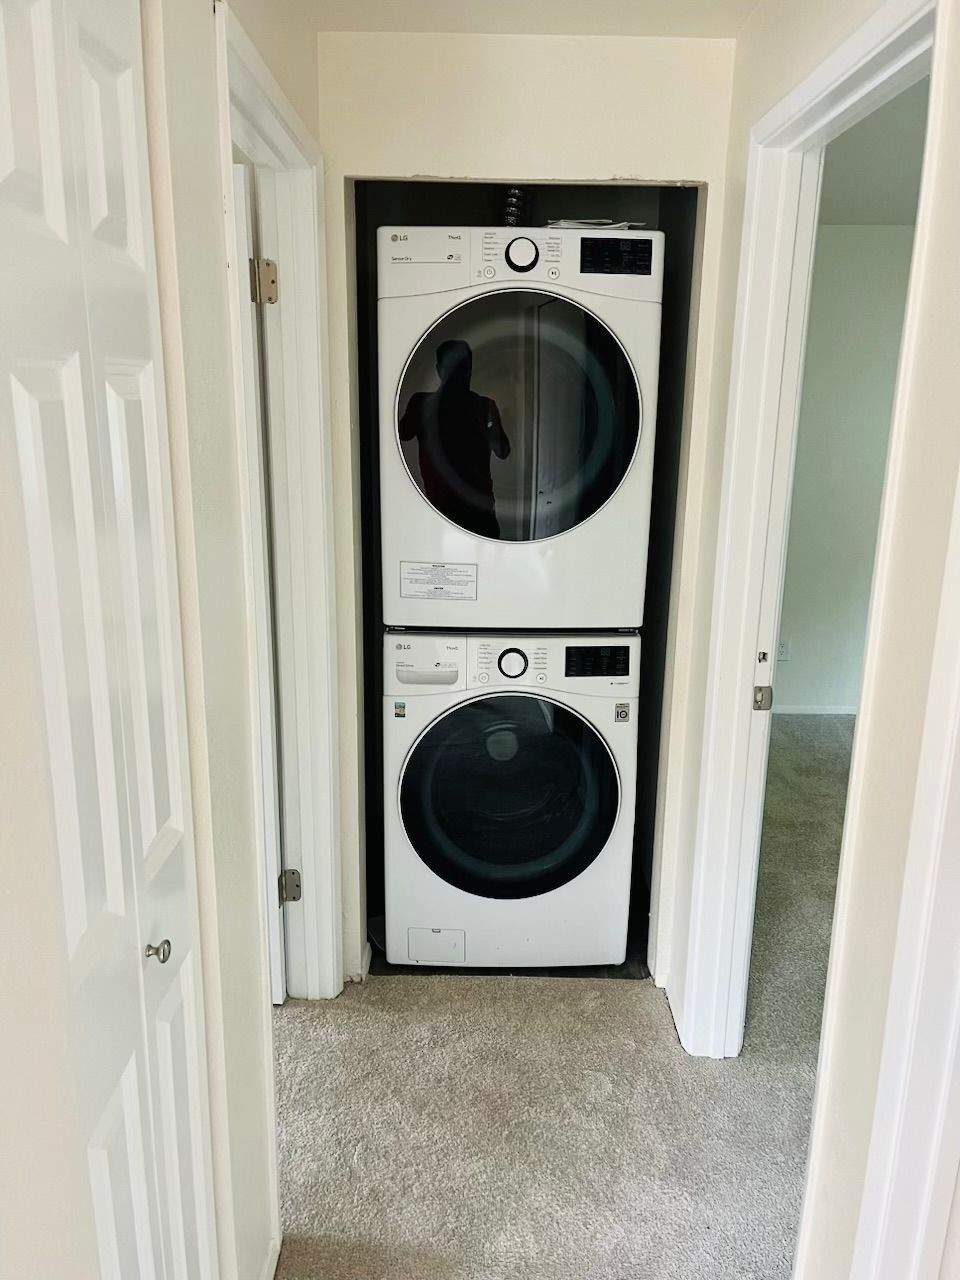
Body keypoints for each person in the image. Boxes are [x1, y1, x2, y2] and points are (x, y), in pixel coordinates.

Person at [399, 339, 510, 538]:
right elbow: (401, 435)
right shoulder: (481, 406)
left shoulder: (424, 403)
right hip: (454, 510)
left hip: (461, 510)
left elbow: (502, 451)